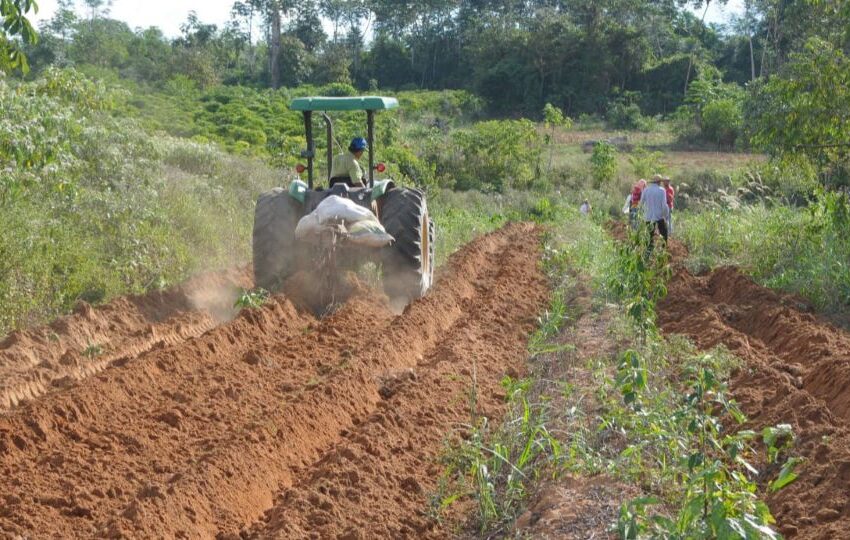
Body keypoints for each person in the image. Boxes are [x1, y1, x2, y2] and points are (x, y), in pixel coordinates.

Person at [640, 174, 670, 247]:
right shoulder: (662, 190)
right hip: (659, 215)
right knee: (664, 233)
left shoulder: (646, 190)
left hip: (648, 216)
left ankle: (649, 249)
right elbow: (664, 205)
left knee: (649, 235)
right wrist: (666, 216)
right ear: (659, 182)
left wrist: (642, 213)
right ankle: (664, 248)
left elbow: (641, 203)